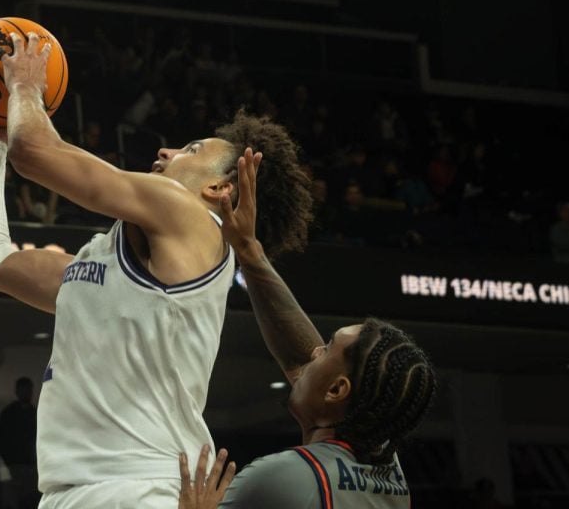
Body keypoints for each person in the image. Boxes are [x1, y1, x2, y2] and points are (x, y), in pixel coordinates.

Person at [0, 31, 312, 508]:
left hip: (140, 486)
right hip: (71, 492)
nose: (167, 151)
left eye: (190, 149)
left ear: (219, 189)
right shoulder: (98, 266)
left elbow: (37, 153)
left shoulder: (193, 219)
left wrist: (24, 86)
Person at [178, 169, 438, 509]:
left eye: (327, 349)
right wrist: (249, 250)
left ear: (336, 391)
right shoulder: (386, 467)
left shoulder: (284, 479)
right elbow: (304, 359)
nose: (314, 349)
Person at [0, 377, 39, 509]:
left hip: (29, 465)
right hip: (18, 464)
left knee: (28, 498)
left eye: (28, 390)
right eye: (24, 390)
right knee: (21, 498)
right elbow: (1, 439)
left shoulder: (34, 414)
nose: (26, 393)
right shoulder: (10, 414)